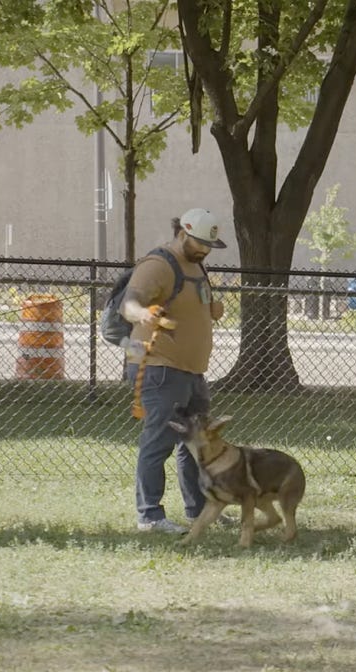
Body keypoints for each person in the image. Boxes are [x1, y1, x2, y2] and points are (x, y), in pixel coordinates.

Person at [121, 208, 226, 534]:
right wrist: (142, 315)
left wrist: (212, 310)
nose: (204, 250)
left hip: (191, 372)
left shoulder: (195, 265)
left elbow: (201, 305)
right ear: (182, 232)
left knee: (194, 443)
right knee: (158, 443)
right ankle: (150, 517)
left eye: (209, 245)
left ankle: (198, 512)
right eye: (199, 243)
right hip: (159, 367)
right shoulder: (159, 264)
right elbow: (130, 302)